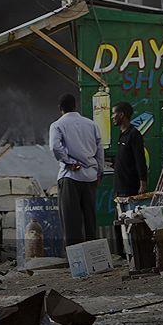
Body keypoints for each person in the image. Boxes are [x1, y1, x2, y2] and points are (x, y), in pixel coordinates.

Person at [49, 93, 104, 247]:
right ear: (75, 106)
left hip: (70, 177)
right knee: (90, 221)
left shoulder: (57, 125)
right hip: (90, 178)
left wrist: (69, 162)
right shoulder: (92, 124)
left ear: (60, 108)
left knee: (71, 223)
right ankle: (93, 256)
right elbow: (100, 151)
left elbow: (55, 147)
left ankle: (75, 259)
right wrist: (99, 172)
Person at [111, 102, 148, 197]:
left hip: (130, 188)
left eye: (114, 114)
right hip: (119, 187)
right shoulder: (122, 134)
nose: (112, 117)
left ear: (121, 115)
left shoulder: (134, 134)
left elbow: (140, 159)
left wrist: (143, 183)